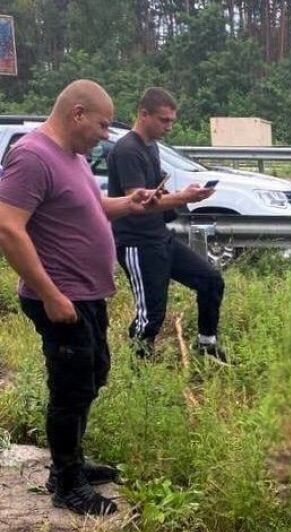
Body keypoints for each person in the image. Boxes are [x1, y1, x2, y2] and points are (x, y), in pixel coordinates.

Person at [0, 80, 158, 515]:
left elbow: (90, 209)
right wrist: (50, 295)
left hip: (86, 294)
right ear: (78, 114)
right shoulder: (32, 156)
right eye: (103, 124)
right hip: (60, 297)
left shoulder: (73, 157)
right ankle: (66, 484)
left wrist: (131, 202)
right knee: (70, 388)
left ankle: (72, 464)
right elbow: (8, 228)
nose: (106, 134)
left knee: (93, 374)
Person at [107, 87, 225, 362]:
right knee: (152, 314)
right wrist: (183, 197)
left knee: (210, 281)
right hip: (137, 242)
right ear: (143, 114)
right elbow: (137, 202)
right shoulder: (127, 150)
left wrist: (184, 193)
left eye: (172, 120)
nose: (169, 126)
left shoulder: (151, 146)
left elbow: (155, 194)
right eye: (164, 120)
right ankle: (139, 369)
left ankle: (206, 346)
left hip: (160, 237)